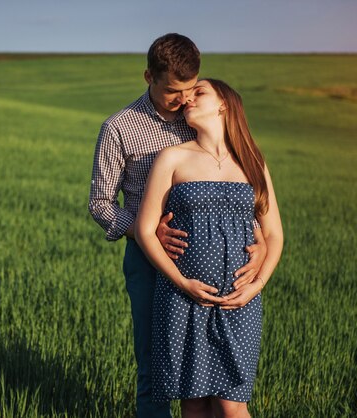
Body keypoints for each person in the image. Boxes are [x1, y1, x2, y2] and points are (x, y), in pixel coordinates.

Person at [88, 33, 268, 418]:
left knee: (207, 378)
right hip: (148, 257)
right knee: (156, 365)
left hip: (212, 262)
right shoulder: (119, 128)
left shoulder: (196, 118)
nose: (184, 99)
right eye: (172, 91)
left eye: (190, 90)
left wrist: (263, 244)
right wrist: (144, 230)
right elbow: (100, 203)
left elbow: (241, 191)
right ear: (148, 76)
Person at [134, 78, 284, 418]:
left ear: (223, 105)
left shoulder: (252, 161)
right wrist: (181, 282)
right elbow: (145, 230)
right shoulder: (172, 157)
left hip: (239, 299)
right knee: (195, 403)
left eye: (199, 92)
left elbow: (274, 234)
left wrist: (256, 286)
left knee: (232, 405)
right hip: (182, 296)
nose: (189, 98)